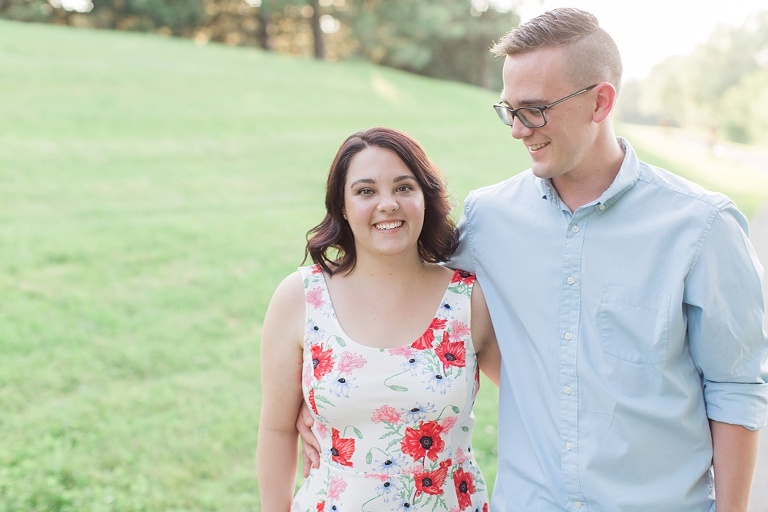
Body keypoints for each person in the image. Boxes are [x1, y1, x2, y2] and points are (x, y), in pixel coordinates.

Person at [298, 8, 768, 512]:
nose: (518, 130)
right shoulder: (489, 218)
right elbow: (407, 290)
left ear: (599, 102)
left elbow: (735, 387)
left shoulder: (701, 226)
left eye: (535, 109)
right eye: (509, 110)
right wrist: (325, 398)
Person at [256, 126, 500, 511]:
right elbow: (275, 429)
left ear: (426, 198)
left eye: (404, 187)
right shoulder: (300, 298)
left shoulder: (469, 298)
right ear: (342, 206)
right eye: (366, 191)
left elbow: (533, 400)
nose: (388, 203)